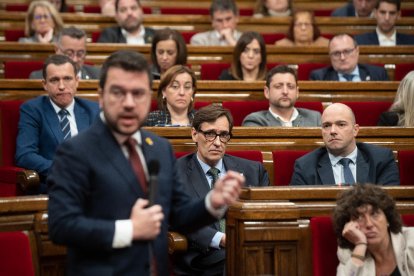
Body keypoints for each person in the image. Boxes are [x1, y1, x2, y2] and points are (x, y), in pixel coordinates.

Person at [47, 50, 245, 275]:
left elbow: (179, 214)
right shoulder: (75, 151)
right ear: (101, 96)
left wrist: (211, 203)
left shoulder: (159, 148)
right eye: (119, 92)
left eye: (138, 93)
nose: (129, 103)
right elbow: (61, 226)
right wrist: (129, 229)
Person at [174, 104, 269, 275]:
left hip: (249, 247)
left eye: (224, 135)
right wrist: (221, 239)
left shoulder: (253, 170)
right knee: (235, 259)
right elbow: (176, 216)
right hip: (202, 256)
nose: (217, 142)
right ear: (194, 134)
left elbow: (267, 213)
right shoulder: (176, 172)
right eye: (210, 134)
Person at [15, 55, 99, 194]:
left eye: (67, 79)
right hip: (55, 186)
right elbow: (25, 155)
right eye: (54, 80)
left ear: (77, 81)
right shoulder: (33, 110)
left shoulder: (93, 110)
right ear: (44, 84)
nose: (61, 86)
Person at [290, 103, 400, 185]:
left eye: (341, 124)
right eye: (327, 126)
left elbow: (389, 202)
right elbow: (299, 208)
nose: (332, 131)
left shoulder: (381, 159)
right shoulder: (305, 166)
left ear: (355, 130)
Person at [333, 184, 414, 275]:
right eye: (359, 217)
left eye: (374, 214)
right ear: (348, 225)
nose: (369, 224)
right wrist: (360, 245)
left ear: (388, 218)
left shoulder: (411, 241)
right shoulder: (348, 253)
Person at [242, 65, 321, 126]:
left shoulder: (315, 118)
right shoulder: (255, 121)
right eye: (278, 86)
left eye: (290, 86)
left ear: (297, 92)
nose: (285, 92)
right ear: (267, 92)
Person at [309, 34, 389, 81]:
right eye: (336, 53)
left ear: (357, 51)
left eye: (347, 51)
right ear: (330, 55)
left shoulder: (378, 74)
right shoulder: (319, 77)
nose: (342, 58)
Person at [30, 27, 101, 80]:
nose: (75, 60)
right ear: (57, 50)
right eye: (69, 53)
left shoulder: (98, 75)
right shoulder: (39, 77)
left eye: (80, 54)